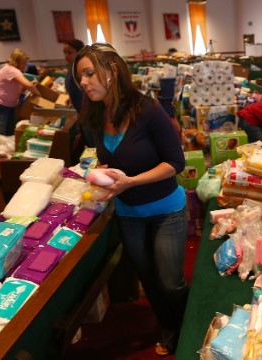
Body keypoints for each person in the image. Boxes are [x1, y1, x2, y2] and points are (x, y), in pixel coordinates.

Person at [74, 43, 188, 356]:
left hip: (167, 211)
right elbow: (106, 159)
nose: (83, 82)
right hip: (129, 213)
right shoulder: (96, 115)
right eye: (79, 76)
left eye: (88, 73)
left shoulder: (147, 110)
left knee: (170, 281)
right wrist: (100, 174)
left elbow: (175, 162)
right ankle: (169, 327)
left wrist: (131, 181)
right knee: (149, 279)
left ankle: (186, 325)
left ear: (111, 72)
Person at [0, 48, 40, 159]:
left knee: (9, 132)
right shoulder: (11, 70)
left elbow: (19, 88)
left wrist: (29, 87)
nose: (25, 65)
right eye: (24, 63)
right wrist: (39, 94)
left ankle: (4, 154)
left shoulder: (14, 71)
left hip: (8, 105)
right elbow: (28, 85)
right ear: (18, 61)